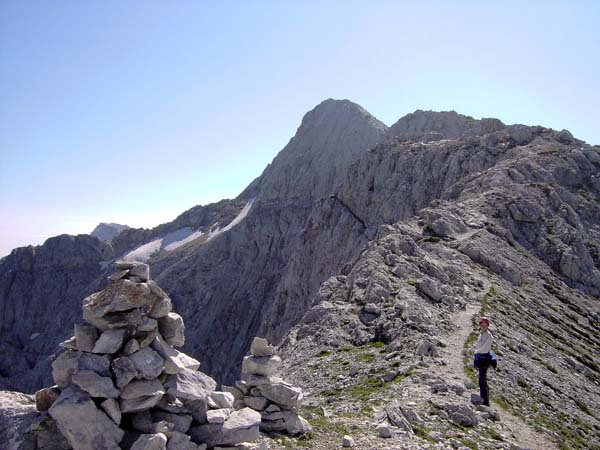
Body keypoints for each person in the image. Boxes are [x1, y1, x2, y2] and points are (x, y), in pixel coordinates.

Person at [473, 316, 493, 406]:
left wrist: (476, 351)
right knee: (481, 379)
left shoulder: (489, 336)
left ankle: (485, 401)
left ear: (487, 326)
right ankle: (484, 398)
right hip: (480, 358)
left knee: (482, 380)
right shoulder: (481, 334)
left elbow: (485, 348)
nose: (483, 327)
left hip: (484, 358)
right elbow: (478, 345)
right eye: (482, 325)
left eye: (485, 325)